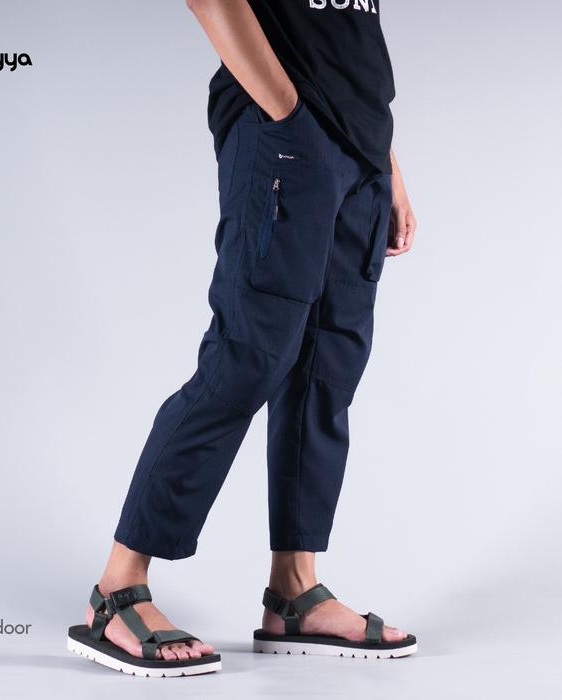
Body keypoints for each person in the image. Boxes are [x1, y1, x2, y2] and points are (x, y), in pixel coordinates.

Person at [68, 0, 417, 677]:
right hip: (286, 134)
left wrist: (387, 163)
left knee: (325, 371)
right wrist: (289, 115)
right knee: (247, 357)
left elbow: (345, 37)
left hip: (362, 153)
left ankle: (294, 592)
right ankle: (117, 588)